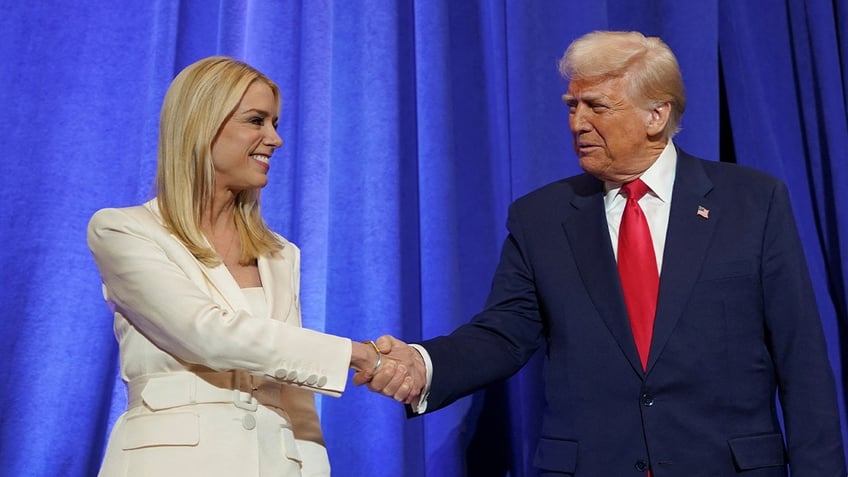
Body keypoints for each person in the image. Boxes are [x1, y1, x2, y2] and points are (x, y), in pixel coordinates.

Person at [357, 31, 847, 476]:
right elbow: (502, 335)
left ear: (656, 114)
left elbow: (800, 359)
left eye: (596, 106)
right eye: (572, 105)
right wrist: (423, 364)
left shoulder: (752, 202)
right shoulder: (542, 218)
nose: (577, 122)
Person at [88, 56, 409, 477]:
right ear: (202, 126)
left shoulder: (280, 253)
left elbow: (295, 397)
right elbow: (205, 333)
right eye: (257, 121)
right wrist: (355, 354)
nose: (274, 139)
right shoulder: (125, 230)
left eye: (275, 123)